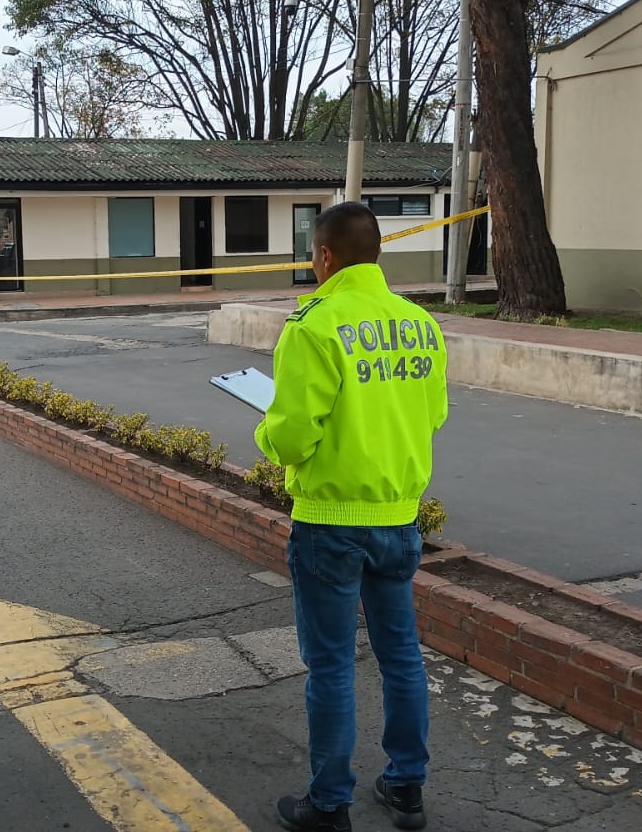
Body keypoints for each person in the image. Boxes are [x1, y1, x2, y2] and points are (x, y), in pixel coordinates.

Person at [256, 202, 449, 832]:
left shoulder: (313, 325)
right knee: (402, 656)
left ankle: (329, 803)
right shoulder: (420, 323)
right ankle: (406, 787)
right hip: (399, 519)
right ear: (378, 255)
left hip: (330, 521)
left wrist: (266, 433)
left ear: (325, 256)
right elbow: (433, 415)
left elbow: (289, 438)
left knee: (333, 664)